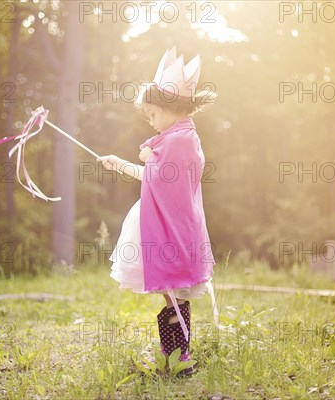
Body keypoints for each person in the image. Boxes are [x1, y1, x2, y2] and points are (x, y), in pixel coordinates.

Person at [97, 47, 217, 375]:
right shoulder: (176, 137)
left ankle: (179, 359)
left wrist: (150, 160)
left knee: (172, 291)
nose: (150, 122)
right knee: (169, 290)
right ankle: (175, 355)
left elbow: (169, 182)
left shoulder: (180, 140)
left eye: (152, 115)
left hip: (169, 226)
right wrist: (123, 164)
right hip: (160, 222)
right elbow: (154, 178)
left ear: (168, 107)